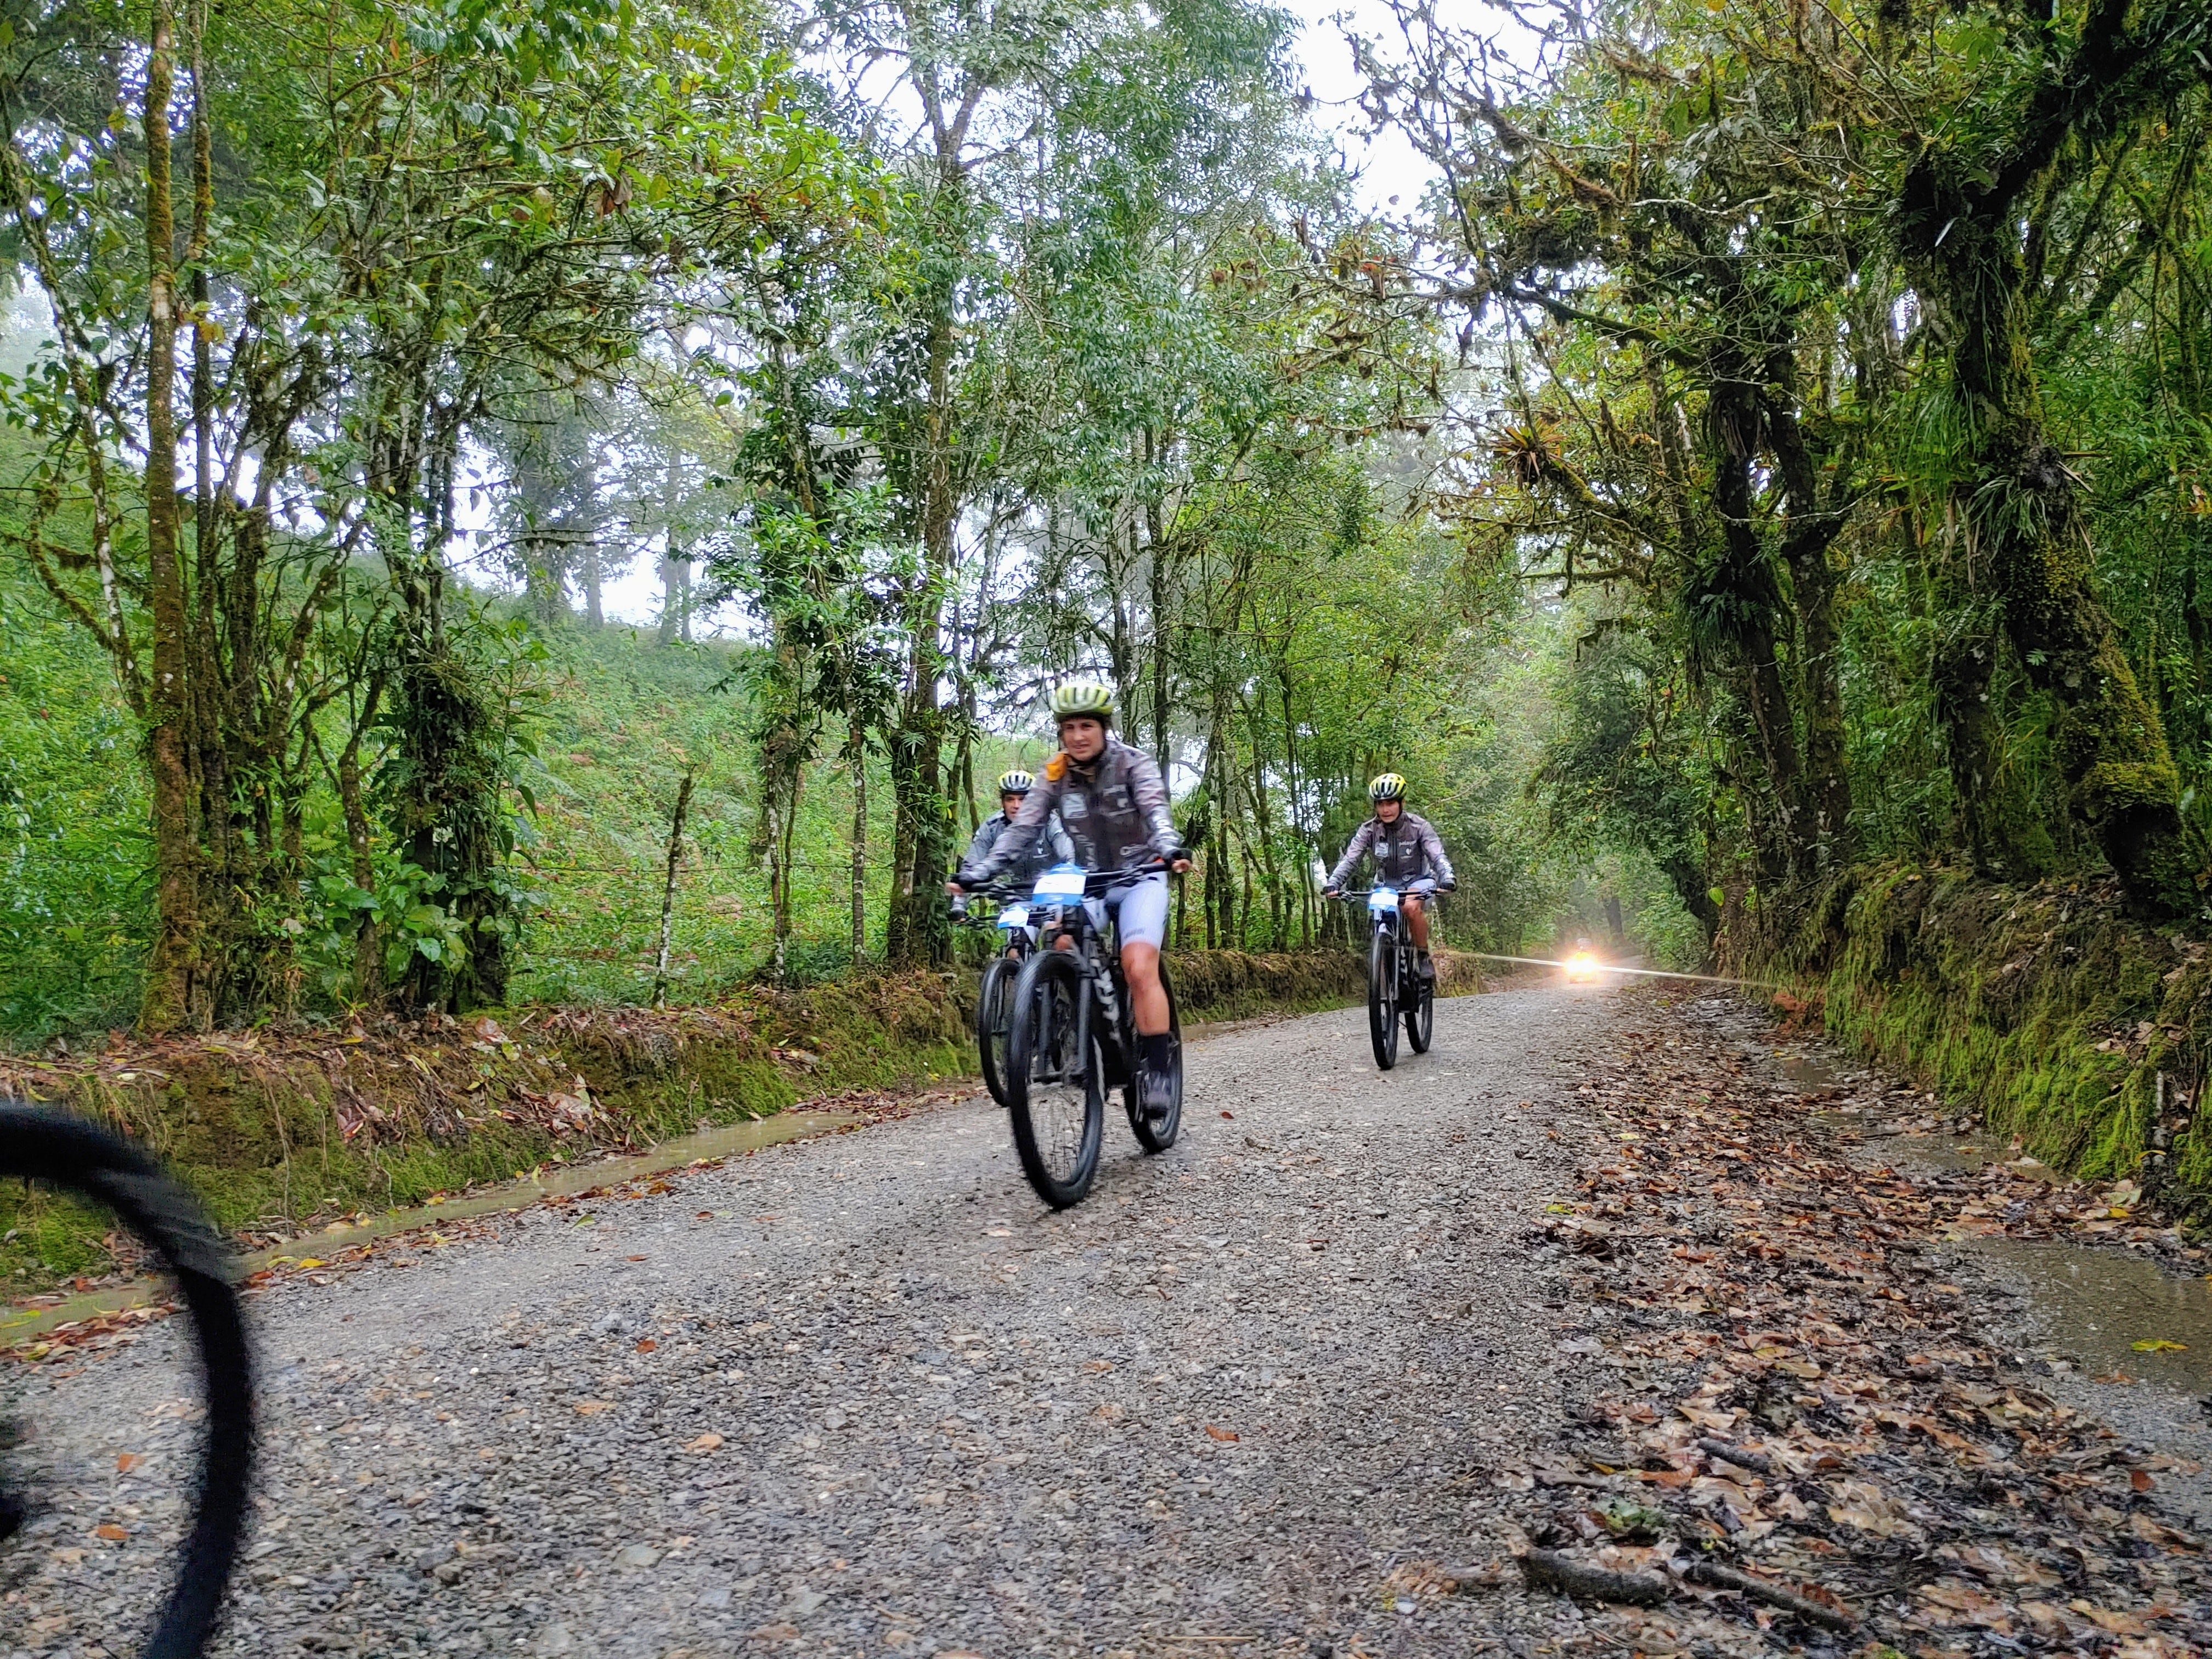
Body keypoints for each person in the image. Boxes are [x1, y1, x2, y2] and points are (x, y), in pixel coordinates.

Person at [950, 680, 1190, 1119]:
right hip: (1088, 879)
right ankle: (1087, 1037)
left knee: (1138, 965)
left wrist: (1171, 848)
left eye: (1087, 726)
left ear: (1103, 727)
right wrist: (980, 873)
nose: (1078, 736)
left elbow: (1157, 813)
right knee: (1060, 944)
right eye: (1069, 727)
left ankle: (1157, 1069)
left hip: (1142, 874)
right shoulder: (1055, 774)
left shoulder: (1133, 764)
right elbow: (1022, 830)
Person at [1323, 774, 1456, 981]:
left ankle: (1422, 956)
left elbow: (1437, 855)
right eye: (1380, 804)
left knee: (1411, 907)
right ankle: (1384, 967)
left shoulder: (1419, 827)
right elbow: (1351, 859)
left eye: (1391, 803)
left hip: (1419, 880)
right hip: (1387, 885)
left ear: (1402, 803)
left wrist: (1447, 876)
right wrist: (1334, 882)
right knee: (1379, 914)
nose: (1386, 810)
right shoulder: (1369, 830)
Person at [960, 770, 1075, 902]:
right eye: (1010, 799)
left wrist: (1067, 877)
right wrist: (959, 903)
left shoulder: (1050, 822)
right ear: (1003, 802)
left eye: (1022, 799)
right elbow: (971, 867)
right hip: (1013, 902)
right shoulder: (991, 828)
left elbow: (1069, 857)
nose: (1016, 806)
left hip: (1051, 898)